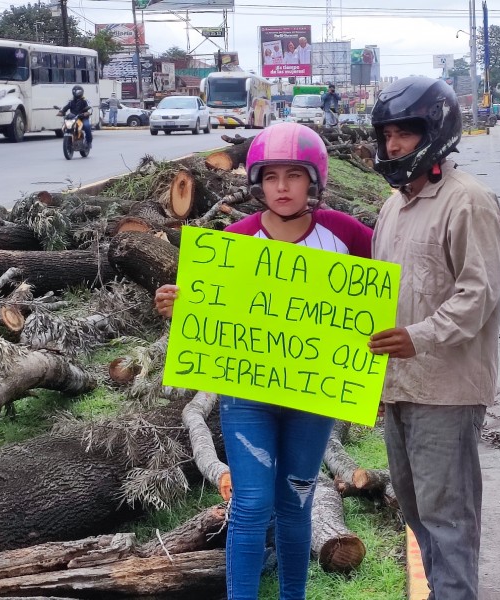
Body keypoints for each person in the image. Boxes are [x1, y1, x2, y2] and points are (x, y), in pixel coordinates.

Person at [154, 122, 373, 600]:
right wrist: (181, 304)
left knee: (296, 505)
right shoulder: (233, 241)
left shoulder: (348, 235)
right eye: (271, 176)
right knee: (252, 506)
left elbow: (376, 303)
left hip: (311, 399)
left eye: (294, 176)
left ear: (314, 180)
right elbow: (217, 314)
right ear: (257, 182)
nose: (282, 187)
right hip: (246, 396)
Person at [367, 76, 500, 600]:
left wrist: (418, 337)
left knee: (449, 519)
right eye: (387, 136)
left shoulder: (466, 201)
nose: (394, 145)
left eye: (405, 133)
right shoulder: (392, 206)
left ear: (437, 131)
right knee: (419, 513)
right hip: (399, 386)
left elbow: (479, 293)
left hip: (446, 390)